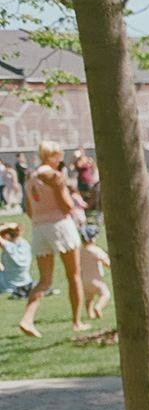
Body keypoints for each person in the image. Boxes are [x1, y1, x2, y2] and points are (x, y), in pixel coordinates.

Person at [18, 141, 87, 337]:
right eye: (58, 156)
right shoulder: (55, 176)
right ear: (52, 156)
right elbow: (66, 206)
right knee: (73, 275)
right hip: (61, 226)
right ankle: (77, 322)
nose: (60, 160)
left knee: (44, 280)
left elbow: (29, 211)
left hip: (39, 229)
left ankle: (27, 319)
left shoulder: (30, 177)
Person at [79, 236, 111, 320]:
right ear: (92, 239)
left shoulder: (80, 250)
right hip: (96, 280)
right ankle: (98, 307)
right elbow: (107, 263)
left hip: (83, 281)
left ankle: (90, 314)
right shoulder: (95, 250)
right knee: (105, 294)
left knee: (89, 298)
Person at [0, 221, 35, 299]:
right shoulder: (25, 244)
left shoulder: (9, 247)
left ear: (6, 235)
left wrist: (4, 227)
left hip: (7, 286)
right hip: (26, 282)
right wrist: (8, 226)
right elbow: (18, 228)